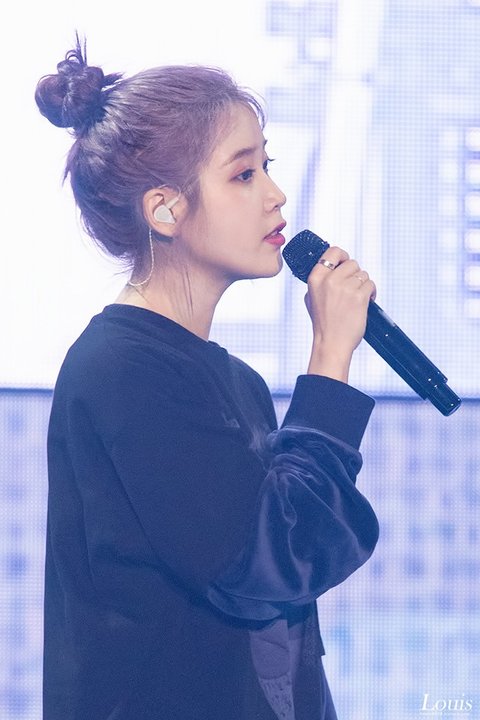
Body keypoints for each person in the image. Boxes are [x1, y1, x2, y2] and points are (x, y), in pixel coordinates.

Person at [36, 38, 379, 720]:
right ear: (165, 209)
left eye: (267, 167)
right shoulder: (121, 369)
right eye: (243, 175)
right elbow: (267, 559)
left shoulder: (237, 381)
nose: (276, 196)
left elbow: (295, 582)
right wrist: (330, 359)